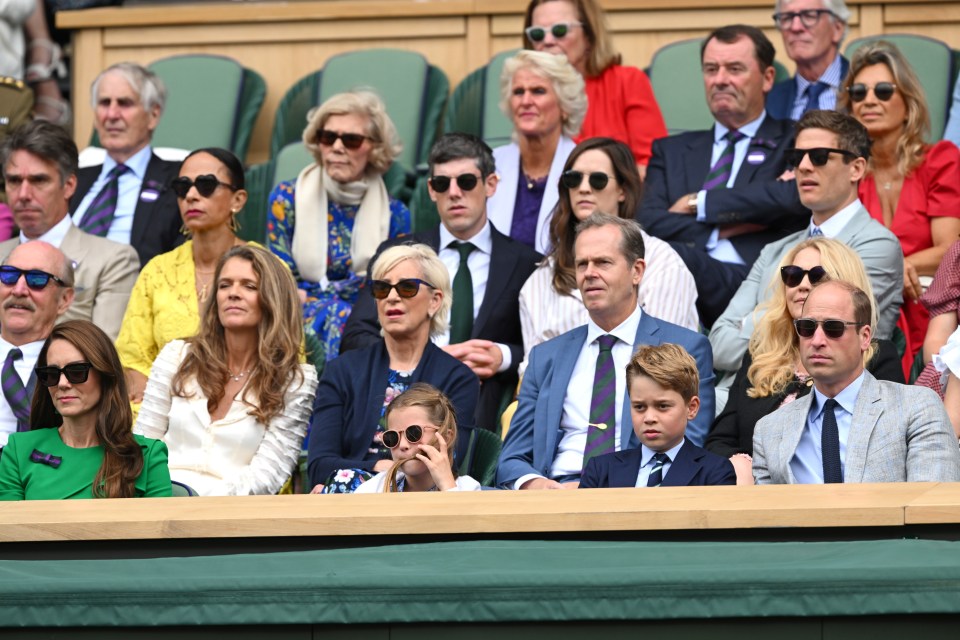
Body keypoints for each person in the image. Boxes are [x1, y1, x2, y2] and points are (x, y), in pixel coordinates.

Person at [497, 214, 715, 490]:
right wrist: (536, 485)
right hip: (553, 497)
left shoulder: (686, 347)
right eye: (582, 264)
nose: (589, 273)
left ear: (637, 271)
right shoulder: (545, 357)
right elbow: (511, 457)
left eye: (603, 262)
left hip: (635, 501)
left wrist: (599, 489)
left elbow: (687, 449)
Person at [342, 133, 540, 430]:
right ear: (431, 190)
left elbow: (546, 342)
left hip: (482, 400)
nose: (455, 193)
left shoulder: (526, 262)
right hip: (401, 395)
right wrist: (420, 354)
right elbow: (356, 336)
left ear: (490, 184)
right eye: (442, 184)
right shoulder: (397, 254)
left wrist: (505, 356)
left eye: (466, 181)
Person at [637, 25, 809, 328]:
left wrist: (698, 202)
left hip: (759, 280)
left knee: (669, 256)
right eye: (711, 69)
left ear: (767, 78)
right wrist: (725, 228)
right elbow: (648, 221)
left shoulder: (795, 139)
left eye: (735, 69)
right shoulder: (671, 150)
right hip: (676, 277)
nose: (720, 80)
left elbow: (791, 199)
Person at [710, 110, 903, 380]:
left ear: (856, 168)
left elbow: (833, 343)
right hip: (736, 394)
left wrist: (755, 322)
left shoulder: (877, 245)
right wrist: (783, 327)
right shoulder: (775, 250)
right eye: (797, 157)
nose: (803, 166)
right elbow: (718, 343)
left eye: (819, 156)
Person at [707, 238, 903, 483]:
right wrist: (742, 465)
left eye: (816, 276)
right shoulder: (760, 355)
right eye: (793, 275)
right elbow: (719, 440)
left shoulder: (877, 356)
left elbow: (887, 447)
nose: (802, 285)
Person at [135, 245, 318, 496]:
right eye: (224, 285)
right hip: (159, 500)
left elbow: (268, 476)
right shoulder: (176, 356)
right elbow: (143, 445)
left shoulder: (295, 381)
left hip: (232, 517)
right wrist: (166, 497)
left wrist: (199, 504)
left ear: (273, 299)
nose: (233, 293)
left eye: (249, 286)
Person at [308, 244, 480, 493]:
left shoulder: (459, 378)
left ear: (435, 301)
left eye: (407, 287)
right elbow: (319, 466)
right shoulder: (341, 371)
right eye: (382, 288)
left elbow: (450, 462)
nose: (392, 297)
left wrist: (363, 470)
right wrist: (383, 467)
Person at [753, 280, 960, 484]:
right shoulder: (769, 431)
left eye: (833, 328)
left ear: (865, 337)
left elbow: (930, 508)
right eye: (807, 327)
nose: (816, 341)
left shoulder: (917, 407)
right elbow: (768, 516)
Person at [519, 137, 699, 368]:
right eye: (573, 179)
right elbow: (533, 371)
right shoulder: (542, 277)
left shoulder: (662, 262)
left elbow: (662, 362)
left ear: (622, 190)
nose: (583, 188)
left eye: (598, 179)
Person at [841, 41, 960, 374]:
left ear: (907, 104)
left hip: (929, 302)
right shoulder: (848, 172)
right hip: (867, 305)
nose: (869, 100)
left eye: (882, 90)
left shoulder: (940, 159)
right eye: (858, 92)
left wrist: (900, 263)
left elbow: (949, 247)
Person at [267, 90, 410, 362]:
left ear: (375, 148)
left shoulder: (395, 214)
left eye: (352, 140)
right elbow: (277, 272)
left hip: (364, 322)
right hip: (293, 314)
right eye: (328, 137)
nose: (337, 147)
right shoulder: (286, 199)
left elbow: (385, 286)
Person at [116, 147, 254, 405]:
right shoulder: (157, 270)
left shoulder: (265, 268)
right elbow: (132, 359)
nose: (191, 195)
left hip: (240, 410)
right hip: (160, 409)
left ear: (238, 200)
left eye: (206, 185)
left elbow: (283, 356)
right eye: (182, 187)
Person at [0, 320, 171, 500]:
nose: (62, 383)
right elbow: (10, 526)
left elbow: (159, 527)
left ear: (105, 375)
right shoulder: (18, 449)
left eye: (76, 371)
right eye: (51, 374)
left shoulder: (147, 455)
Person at [0, 119, 139, 340]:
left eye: (38, 180)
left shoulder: (113, 260)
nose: (23, 194)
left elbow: (104, 358)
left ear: (69, 186)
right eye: (14, 181)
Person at [522, 0, 667, 177]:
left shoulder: (627, 81)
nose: (548, 41)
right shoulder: (525, 94)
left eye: (559, 30)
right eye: (537, 34)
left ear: (589, 36)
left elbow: (652, 166)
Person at [69, 63, 182, 268]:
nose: (111, 115)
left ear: (153, 115)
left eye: (124, 103)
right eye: (104, 103)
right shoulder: (72, 180)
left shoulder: (178, 181)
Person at [580, 344, 735, 489]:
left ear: (691, 408)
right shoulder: (600, 470)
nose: (649, 418)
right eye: (639, 407)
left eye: (662, 406)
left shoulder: (715, 471)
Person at [485, 50, 585, 253]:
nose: (526, 101)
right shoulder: (489, 164)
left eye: (538, 91)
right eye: (518, 92)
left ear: (564, 105)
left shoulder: (583, 167)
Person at [0, 240, 73, 442]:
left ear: (65, 299)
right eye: (9, 275)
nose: (19, 290)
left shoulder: (79, 365)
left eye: (37, 279)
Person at [354, 383, 481, 493]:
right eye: (392, 437)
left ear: (446, 437)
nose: (403, 445)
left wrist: (447, 486)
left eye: (413, 433)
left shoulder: (468, 489)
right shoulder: (373, 489)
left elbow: (461, 521)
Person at [766, 0, 850, 121]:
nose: (795, 27)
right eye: (787, 18)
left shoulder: (865, 90)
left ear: (837, 29)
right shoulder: (768, 100)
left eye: (809, 15)